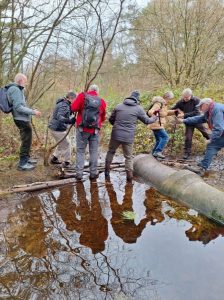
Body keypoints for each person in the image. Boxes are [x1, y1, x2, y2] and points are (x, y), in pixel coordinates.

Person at [105, 90, 157, 182]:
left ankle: (106, 172)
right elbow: (147, 121)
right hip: (128, 136)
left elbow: (111, 119)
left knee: (111, 151)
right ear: (137, 99)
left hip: (116, 134)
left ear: (129, 97)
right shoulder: (138, 108)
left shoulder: (119, 106)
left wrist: (117, 126)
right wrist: (154, 117)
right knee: (128, 157)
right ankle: (129, 178)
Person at [178, 98, 224, 176]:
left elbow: (219, 128)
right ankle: (202, 166)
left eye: (201, 106)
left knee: (212, 145)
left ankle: (202, 168)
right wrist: (184, 120)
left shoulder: (216, 109)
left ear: (206, 105)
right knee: (212, 146)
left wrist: (211, 139)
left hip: (222, 133)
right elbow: (200, 118)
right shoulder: (210, 110)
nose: (200, 109)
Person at [71, 84, 106, 180]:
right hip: (95, 130)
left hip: (82, 129)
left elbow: (73, 108)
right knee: (94, 152)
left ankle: (79, 174)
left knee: (80, 151)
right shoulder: (101, 101)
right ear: (97, 92)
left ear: (89, 89)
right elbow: (102, 118)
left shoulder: (82, 96)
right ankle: (93, 173)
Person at [7, 73, 41, 171]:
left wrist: (31, 110)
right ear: (21, 80)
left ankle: (26, 159)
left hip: (23, 119)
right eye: (25, 81)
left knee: (28, 140)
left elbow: (21, 105)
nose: (26, 83)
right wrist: (33, 112)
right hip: (21, 119)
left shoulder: (17, 89)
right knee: (26, 141)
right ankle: (22, 164)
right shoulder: (15, 90)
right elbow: (18, 107)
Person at [171, 88, 210, 159]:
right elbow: (173, 109)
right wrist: (177, 112)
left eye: (187, 97)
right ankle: (187, 153)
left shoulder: (196, 100)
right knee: (188, 138)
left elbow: (197, 112)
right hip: (188, 122)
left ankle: (214, 147)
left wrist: (184, 115)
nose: (185, 99)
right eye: (184, 97)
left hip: (198, 120)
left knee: (206, 133)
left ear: (190, 95)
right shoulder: (181, 102)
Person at [48, 91, 76, 168]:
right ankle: (67, 162)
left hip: (54, 127)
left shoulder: (64, 103)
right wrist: (69, 121)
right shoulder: (64, 105)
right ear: (70, 98)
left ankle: (54, 159)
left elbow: (66, 113)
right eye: (74, 99)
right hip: (57, 129)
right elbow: (60, 117)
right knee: (67, 144)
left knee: (61, 143)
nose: (75, 101)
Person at [147, 91, 174, 159]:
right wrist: (156, 113)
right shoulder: (159, 103)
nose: (170, 101)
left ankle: (153, 154)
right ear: (167, 98)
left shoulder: (163, 104)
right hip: (156, 124)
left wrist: (175, 112)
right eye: (170, 99)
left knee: (159, 140)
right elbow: (150, 112)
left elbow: (165, 113)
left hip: (157, 125)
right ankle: (158, 152)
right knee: (165, 137)